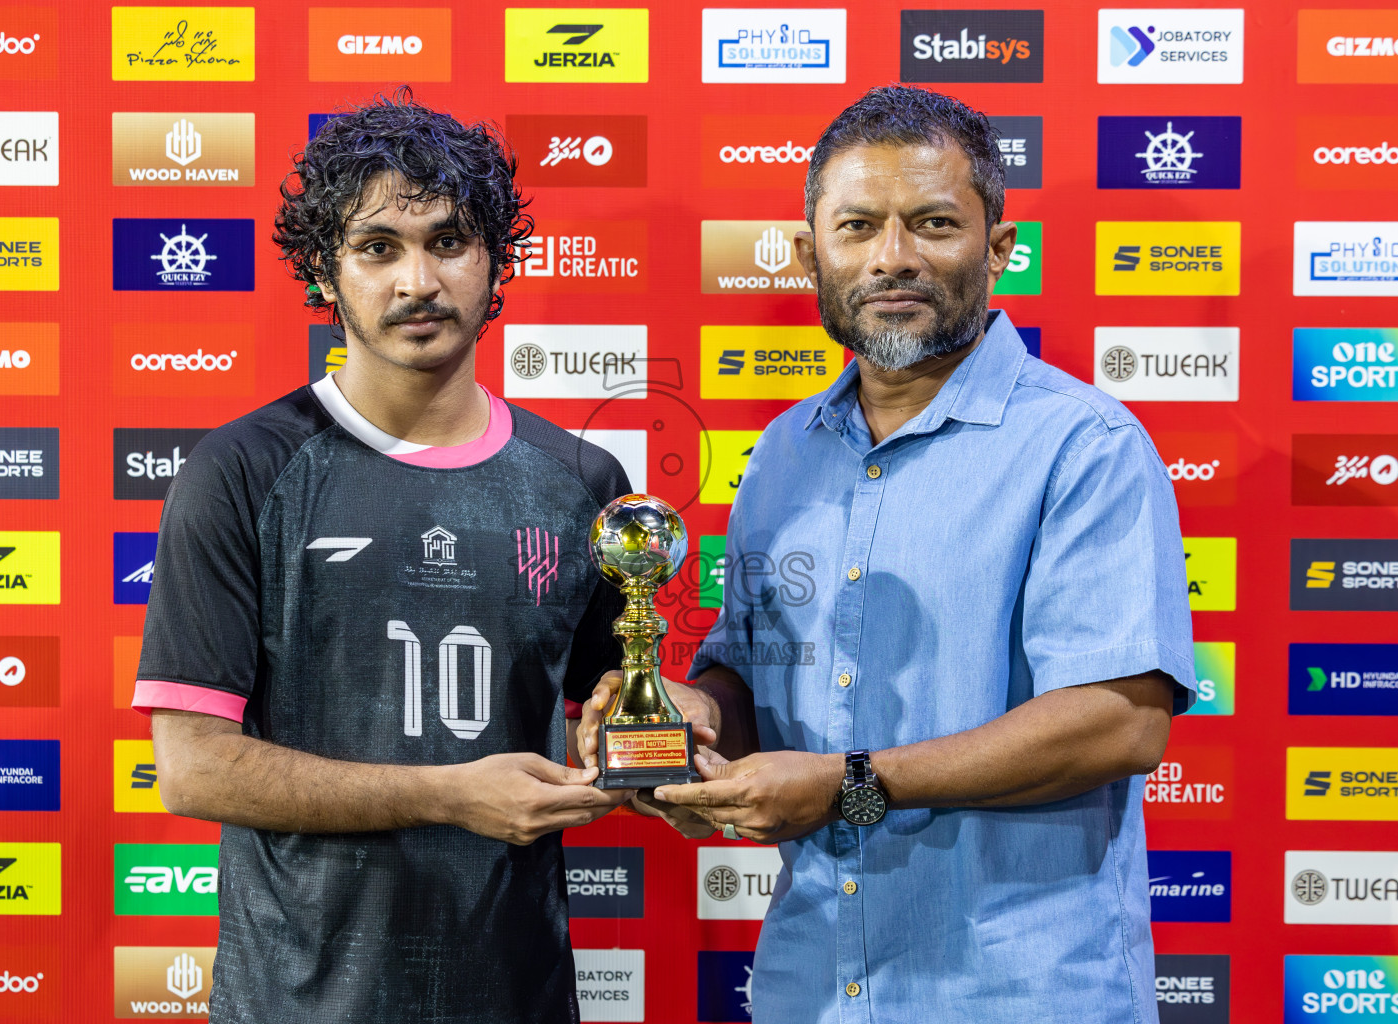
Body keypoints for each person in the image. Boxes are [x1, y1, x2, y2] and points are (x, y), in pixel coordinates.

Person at [580, 85, 1195, 1022]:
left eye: (934, 223)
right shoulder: (783, 454)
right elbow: (752, 679)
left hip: (1019, 994)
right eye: (858, 226)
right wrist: (685, 721)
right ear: (810, 255)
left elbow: (1121, 723)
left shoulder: (1084, 445)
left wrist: (851, 786)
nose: (893, 257)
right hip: (815, 987)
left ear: (999, 247)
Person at [135, 90, 634, 1024]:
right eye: (377, 248)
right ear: (325, 274)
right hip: (298, 1002)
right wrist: (446, 795)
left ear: (495, 261)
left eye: (448, 241)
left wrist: (650, 733)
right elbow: (194, 768)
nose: (419, 280)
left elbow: (611, 721)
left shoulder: (584, 481)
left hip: (516, 997)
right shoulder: (244, 470)